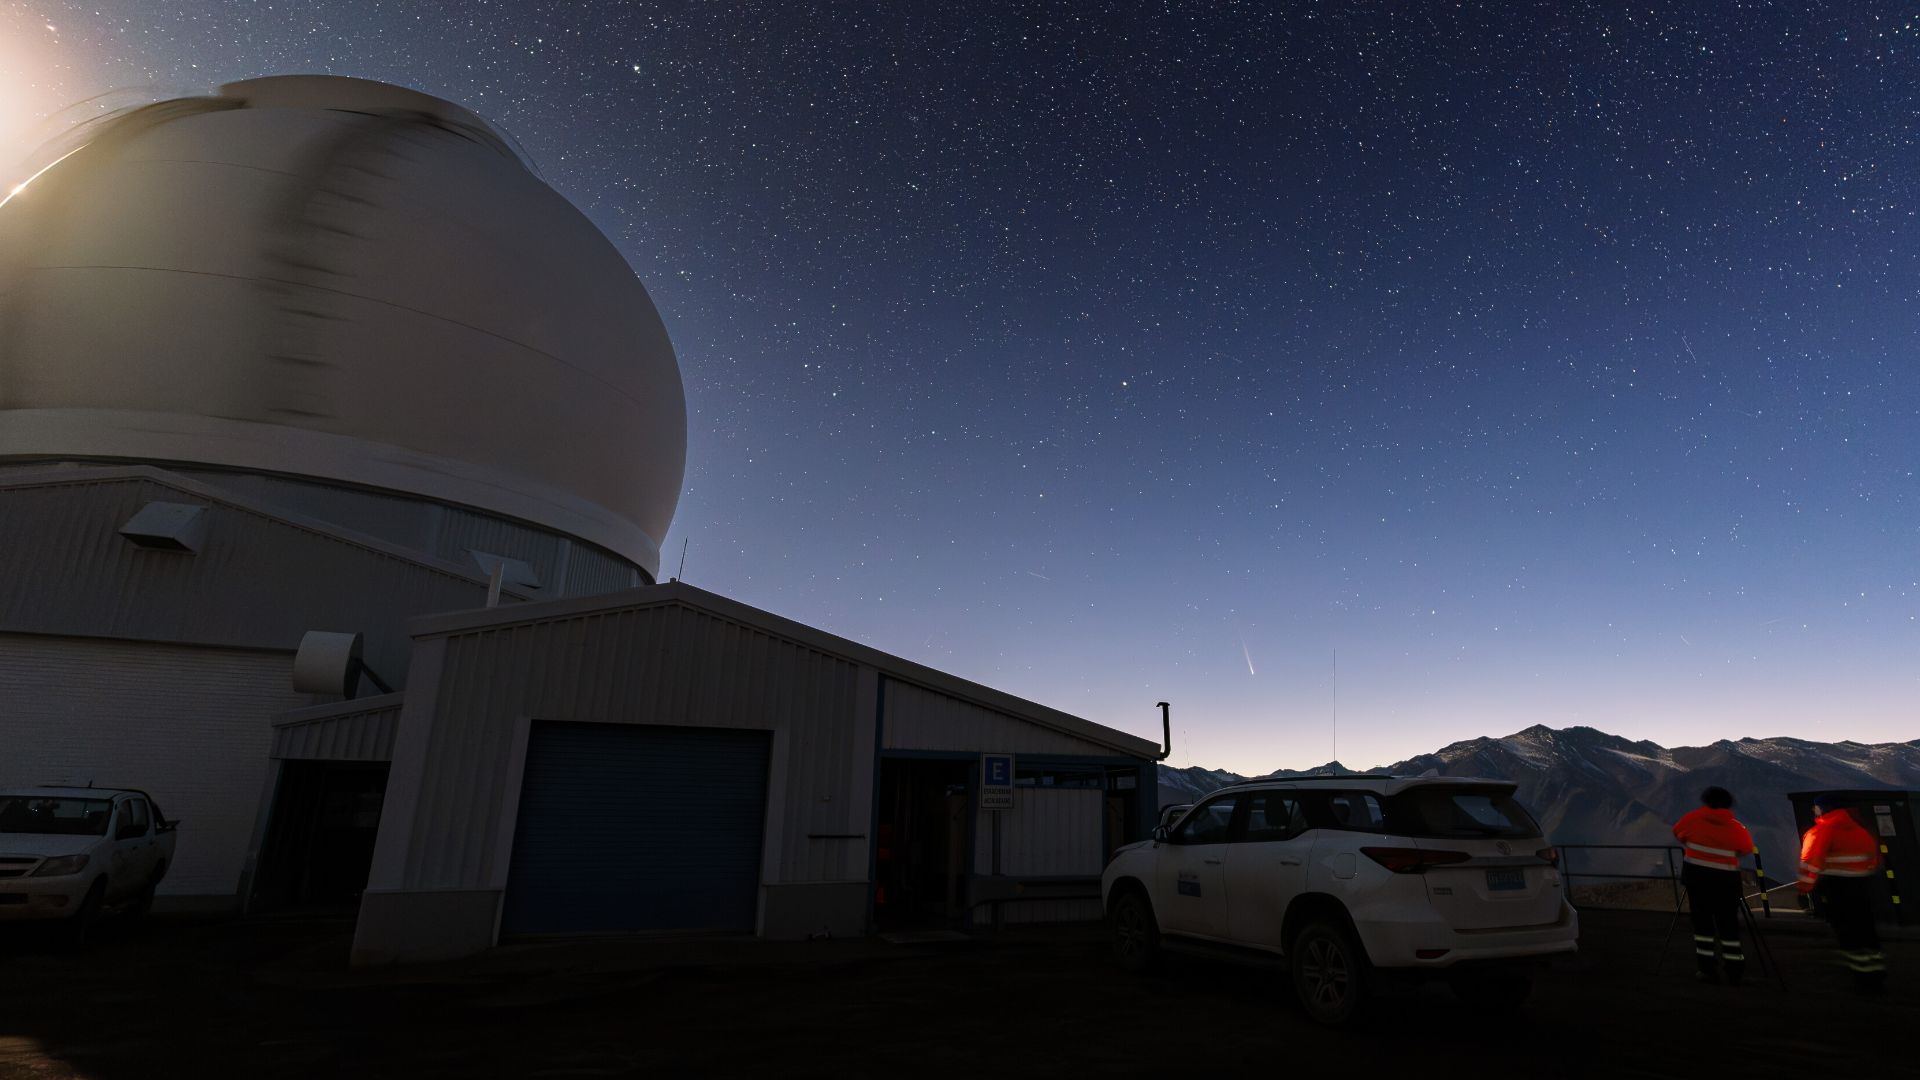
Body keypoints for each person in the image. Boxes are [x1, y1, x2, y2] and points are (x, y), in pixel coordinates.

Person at [1798, 794, 1887, 994]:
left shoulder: (1821, 831)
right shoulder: (1860, 831)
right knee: (1867, 932)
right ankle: (1877, 975)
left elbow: (1810, 863)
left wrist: (1804, 890)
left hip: (1836, 889)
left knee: (1848, 935)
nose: (1814, 811)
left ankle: (1862, 979)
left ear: (1824, 809)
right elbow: (1874, 861)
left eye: (1817, 807)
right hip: (1862, 888)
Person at [1672, 786, 1754, 984]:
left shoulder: (1691, 819)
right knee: (1729, 926)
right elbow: (1746, 848)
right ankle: (1734, 971)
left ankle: (1707, 970)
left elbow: (1678, 833)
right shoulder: (1736, 827)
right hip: (1726, 883)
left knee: (1702, 925)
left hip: (1697, 881)